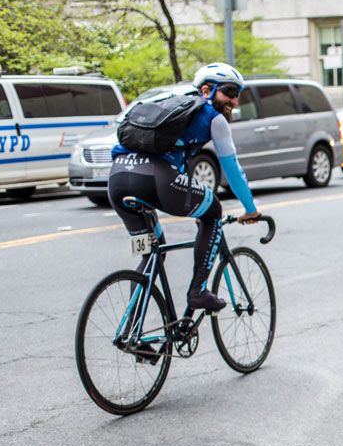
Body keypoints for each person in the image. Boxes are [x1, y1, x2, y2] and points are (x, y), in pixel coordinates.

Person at [108, 63, 262, 312]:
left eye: (237, 94)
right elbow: (232, 170)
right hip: (157, 179)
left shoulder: (169, 104)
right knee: (213, 211)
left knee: (152, 254)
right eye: (230, 92)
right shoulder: (213, 117)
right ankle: (198, 291)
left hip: (117, 178)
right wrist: (251, 208)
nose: (234, 101)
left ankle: (131, 333)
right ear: (205, 90)